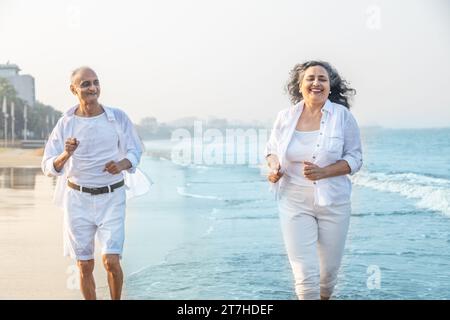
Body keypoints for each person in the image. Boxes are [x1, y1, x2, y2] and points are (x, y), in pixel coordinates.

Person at [41, 66, 148, 300]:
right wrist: (65, 155)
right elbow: (48, 165)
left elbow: (135, 149)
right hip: (77, 199)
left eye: (95, 82)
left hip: (112, 196)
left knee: (111, 261)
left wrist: (122, 164)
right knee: (85, 265)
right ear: (73, 89)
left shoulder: (117, 117)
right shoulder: (65, 123)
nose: (93, 88)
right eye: (86, 84)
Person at [265, 60, 363, 300]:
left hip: (334, 203)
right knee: (304, 274)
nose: (316, 83)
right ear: (300, 85)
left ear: (330, 87)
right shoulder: (285, 117)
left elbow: (356, 158)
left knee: (327, 275)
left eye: (322, 79)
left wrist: (324, 172)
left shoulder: (342, 117)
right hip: (293, 201)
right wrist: (274, 167)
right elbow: (271, 151)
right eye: (310, 78)